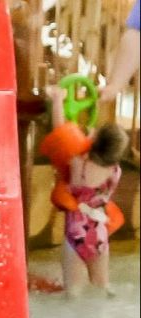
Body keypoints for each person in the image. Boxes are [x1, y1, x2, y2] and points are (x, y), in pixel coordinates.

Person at [41, 90, 129, 296]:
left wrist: (57, 100)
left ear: (94, 140)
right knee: (102, 285)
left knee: (73, 293)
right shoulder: (115, 171)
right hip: (99, 234)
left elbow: (60, 131)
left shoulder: (77, 164)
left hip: (76, 234)